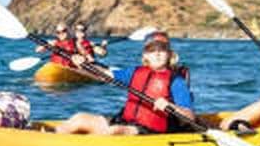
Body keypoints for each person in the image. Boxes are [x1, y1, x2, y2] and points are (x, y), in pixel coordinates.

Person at [54, 31, 196, 135]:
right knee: (79, 119)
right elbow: (104, 75)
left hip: (151, 130)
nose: (157, 54)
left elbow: (189, 117)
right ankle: (53, 143)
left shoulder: (176, 81)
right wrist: (83, 65)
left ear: (169, 55)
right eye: (152, 50)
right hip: (125, 120)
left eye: (162, 50)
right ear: (145, 55)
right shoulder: (134, 72)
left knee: (115, 131)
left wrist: (169, 106)